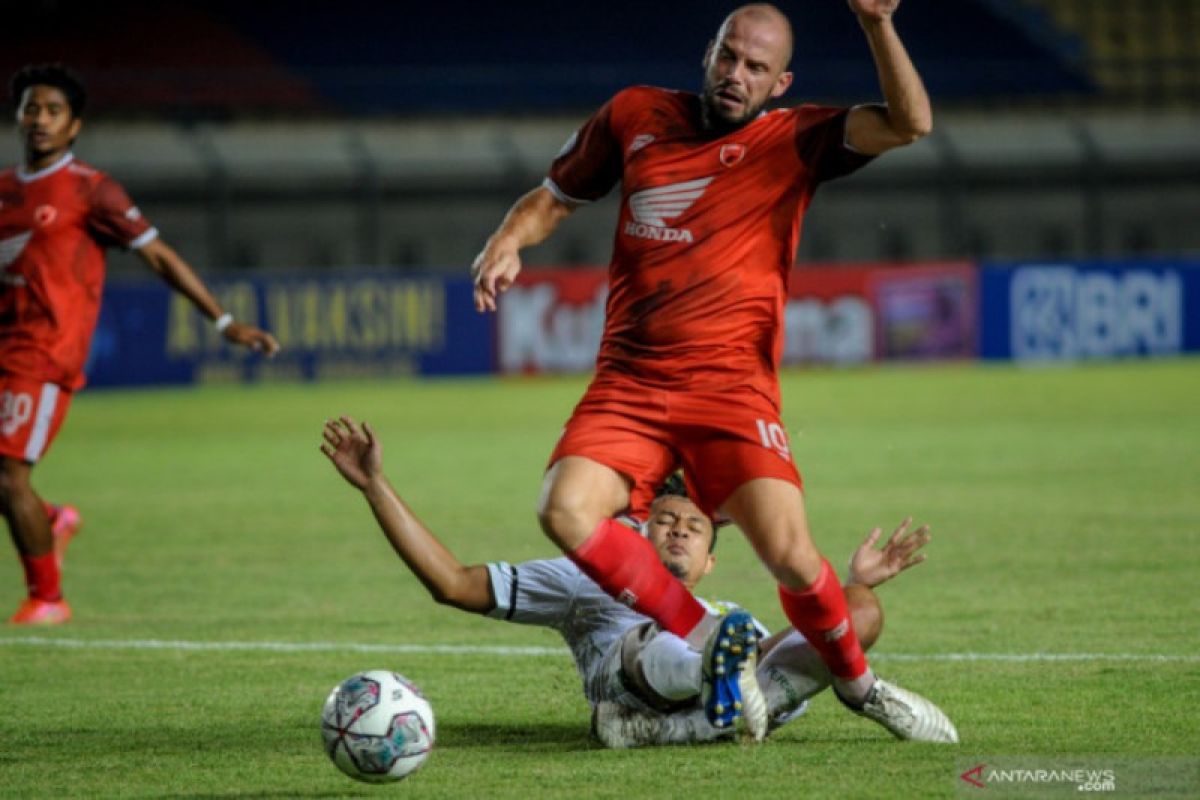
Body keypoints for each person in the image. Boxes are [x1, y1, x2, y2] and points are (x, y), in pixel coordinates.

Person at [469, 2, 946, 740]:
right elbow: (554, 197)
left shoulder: (798, 137)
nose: (736, 75)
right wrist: (508, 239)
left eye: (757, 67)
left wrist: (879, 25)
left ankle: (863, 688)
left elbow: (911, 123)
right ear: (709, 52)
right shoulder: (635, 115)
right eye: (729, 57)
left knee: (792, 559)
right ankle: (702, 640)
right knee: (562, 510)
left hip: (731, 388)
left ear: (780, 81)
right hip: (630, 379)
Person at [320, 416, 957, 746]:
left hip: (724, 672)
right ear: (636, 534)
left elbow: (807, 626)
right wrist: (376, 485)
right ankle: (710, 689)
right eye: (665, 521)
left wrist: (847, 586)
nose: (678, 531)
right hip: (636, 677)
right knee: (668, 639)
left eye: (694, 528)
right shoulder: (583, 580)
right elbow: (453, 583)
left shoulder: (725, 605)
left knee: (858, 611)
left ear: (711, 559)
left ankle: (690, 720)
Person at [1, 64, 280, 625]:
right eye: (32, 107)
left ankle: (48, 600)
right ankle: (52, 522)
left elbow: (159, 255)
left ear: (74, 126)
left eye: (53, 110)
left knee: (9, 475)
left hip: (45, 353)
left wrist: (223, 321)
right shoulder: (5, 190)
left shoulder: (90, 189)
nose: (40, 119)